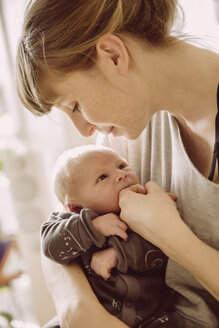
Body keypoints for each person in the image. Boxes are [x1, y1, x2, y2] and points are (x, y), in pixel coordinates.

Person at [15, 0, 219, 327]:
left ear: (113, 55)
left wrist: (173, 238)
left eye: (75, 105)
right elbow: (61, 225)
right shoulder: (128, 131)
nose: (84, 129)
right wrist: (76, 309)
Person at [41, 144, 176, 328]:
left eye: (121, 166)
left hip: (151, 316)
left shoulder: (145, 204)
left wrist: (118, 253)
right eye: (102, 177)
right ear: (76, 208)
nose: (120, 174)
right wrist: (92, 227)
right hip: (92, 314)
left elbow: (165, 246)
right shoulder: (70, 221)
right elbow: (51, 248)